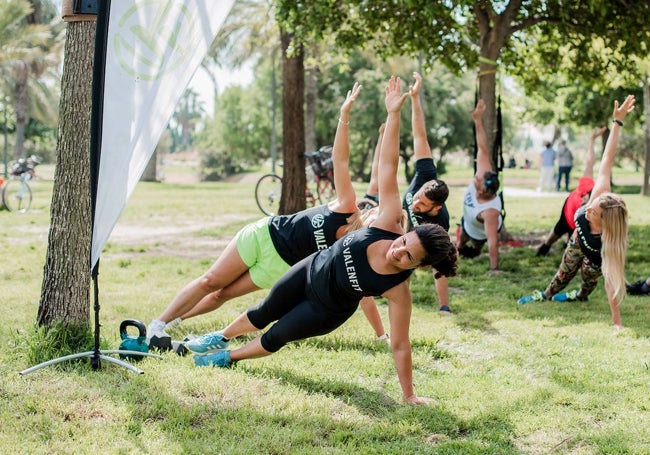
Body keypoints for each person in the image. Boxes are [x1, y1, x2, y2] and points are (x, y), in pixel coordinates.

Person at [188, 76, 459, 405]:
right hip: (308, 269)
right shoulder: (389, 220)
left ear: (419, 267)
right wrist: (393, 114)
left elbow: (401, 344)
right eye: (404, 244)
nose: (397, 253)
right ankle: (217, 337)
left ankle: (228, 357)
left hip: (326, 308)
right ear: (408, 232)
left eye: (407, 258)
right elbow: (388, 164)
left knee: (278, 334)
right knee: (263, 311)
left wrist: (409, 395)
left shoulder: (398, 291)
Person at [146, 83, 369, 347]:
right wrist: (344, 116)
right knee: (211, 280)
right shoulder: (347, 206)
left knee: (221, 295)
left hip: (278, 268)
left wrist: (380, 333)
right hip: (266, 236)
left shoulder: (358, 246)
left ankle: (176, 321)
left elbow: (359, 290)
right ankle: (158, 325)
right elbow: (340, 160)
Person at [517, 94, 635, 329]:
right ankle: (546, 294)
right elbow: (607, 160)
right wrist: (617, 122)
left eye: (593, 211)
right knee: (563, 273)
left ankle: (581, 296)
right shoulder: (600, 196)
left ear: (606, 222)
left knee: (590, 278)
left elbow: (611, 281)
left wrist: (617, 322)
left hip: (594, 255)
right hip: (577, 241)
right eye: (591, 205)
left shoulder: (610, 243)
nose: (588, 207)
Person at [362, 72, 452, 314]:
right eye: (418, 196)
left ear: (436, 209)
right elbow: (419, 136)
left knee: (411, 263)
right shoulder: (426, 173)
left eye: (422, 205)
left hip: (417, 240)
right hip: (401, 228)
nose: (416, 203)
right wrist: (414, 99)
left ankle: (442, 304)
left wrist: (444, 306)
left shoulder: (439, 224)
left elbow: (440, 266)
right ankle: (377, 287)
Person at [536, 127, 607, 256]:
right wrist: (592, 140)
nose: (583, 199)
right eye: (584, 196)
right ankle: (545, 246)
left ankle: (566, 244)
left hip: (578, 222)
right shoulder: (586, 185)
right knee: (557, 231)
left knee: (574, 245)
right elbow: (590, 162)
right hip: (568, 210)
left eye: (586, 200)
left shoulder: (593, 211)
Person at [456, 99, 503, 272]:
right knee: (460, 244)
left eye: (478, 180)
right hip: (467, 222)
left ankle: (476, 250)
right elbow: (483, 148)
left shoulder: (490, 212)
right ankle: (462, 247)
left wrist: (494, 269)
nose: (476, 177)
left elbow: (493, 241)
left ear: (483, 191)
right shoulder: (484, 175)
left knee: (476, 246)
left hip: (479, 233)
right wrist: (477, 120)